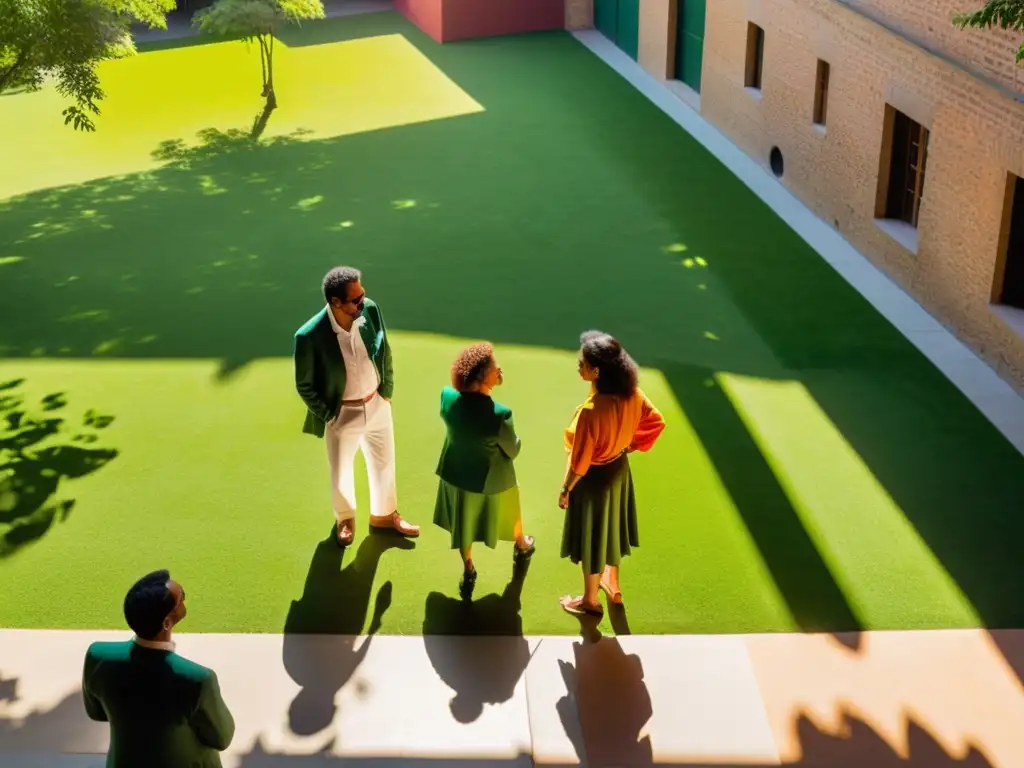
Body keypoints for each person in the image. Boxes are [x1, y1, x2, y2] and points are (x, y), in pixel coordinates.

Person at [294, 266, 419, 547]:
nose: (363, 302)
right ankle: (346, 518)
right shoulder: (309, 336)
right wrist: (329, 415)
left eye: (362, 295)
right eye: (356, 300)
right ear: (335, 302)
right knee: (341, 469)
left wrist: (386, 391)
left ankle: (385, 514)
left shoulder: (371, 311)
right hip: (342, 412)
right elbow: (305, 384)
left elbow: (384, 349)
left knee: (384, 461)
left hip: (376, 403)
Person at [558, 331, 665, 617]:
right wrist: (629, 444)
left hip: (593, 480)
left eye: (582, 363)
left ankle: (590, 602)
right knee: (612, 528)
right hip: (618, 471)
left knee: (592, 540)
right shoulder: (634, 394)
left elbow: (580, 461)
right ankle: (612, 582)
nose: (578, 366)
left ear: (596, 371)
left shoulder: (591, 412)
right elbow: (656, 422)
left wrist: (566, 488)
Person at [81, 570, 235, 768]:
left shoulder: (97, 656)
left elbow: (96, 713)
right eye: (182, 599)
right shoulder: (198, 680)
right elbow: (222, 738)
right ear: (167, 623)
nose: (184, 601)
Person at [433, 343, 535, 599]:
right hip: (491, 480)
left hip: (456, 475)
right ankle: (521, 545)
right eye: (493, 368)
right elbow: (513, 450)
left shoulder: (447, 397)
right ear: (480, 379)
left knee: (463, 524)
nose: (499, 369)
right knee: (512, 506)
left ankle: (468, 568)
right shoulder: (500, 415)